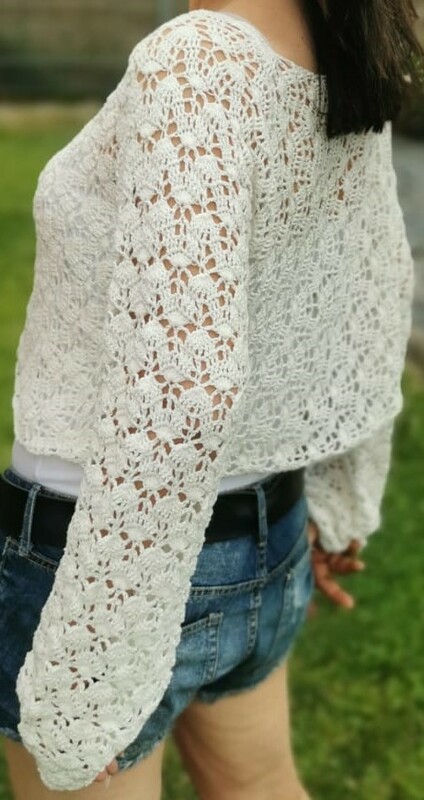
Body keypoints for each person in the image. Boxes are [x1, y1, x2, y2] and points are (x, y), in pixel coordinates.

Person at [0, 0, 421, 797]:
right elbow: (367, 290)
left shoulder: (198, 61)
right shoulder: (338, 45)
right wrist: (340, 501)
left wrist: (99, 654)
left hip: (102, 558)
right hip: (265, 536)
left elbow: (184, 395)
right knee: (258, 783)